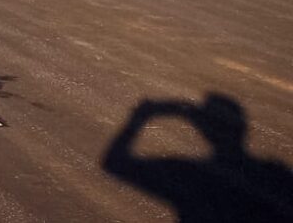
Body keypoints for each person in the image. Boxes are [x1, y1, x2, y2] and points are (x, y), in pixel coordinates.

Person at [103, 93, 293, 222]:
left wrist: (142, 115)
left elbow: (115, 162)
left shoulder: (189, 174)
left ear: (202, 130)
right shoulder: (277, 174)